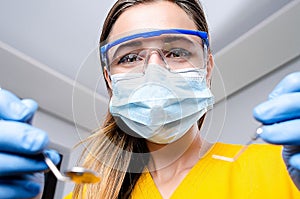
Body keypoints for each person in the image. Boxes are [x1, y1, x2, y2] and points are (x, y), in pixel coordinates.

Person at [0, 0, 300, 198]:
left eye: (177, 52)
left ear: (207, 69)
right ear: (110, 81)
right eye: (129, 57)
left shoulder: (282, 170)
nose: (154, 71)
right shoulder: (86, 191)